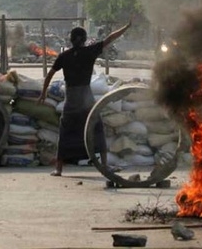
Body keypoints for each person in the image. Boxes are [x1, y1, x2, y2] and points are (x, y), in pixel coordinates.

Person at [38, 20, 132, 176]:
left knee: (65, 132)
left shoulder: (64, 56)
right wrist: (126, 26)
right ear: (85, 38)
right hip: (86, 98)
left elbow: (50, 74)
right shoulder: (90, 51)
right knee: (97, 129)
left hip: (71, 99)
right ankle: (105, 165)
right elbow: (110, 38)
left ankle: (59, 168)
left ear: (71, 39)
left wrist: (43, 93)